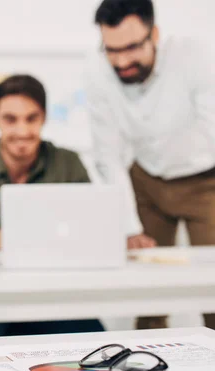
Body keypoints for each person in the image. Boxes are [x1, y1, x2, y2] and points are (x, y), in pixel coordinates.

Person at [0, 75, 104, 338]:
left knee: (97, 343)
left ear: (44, 117)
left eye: (31, 118)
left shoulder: (68, 163)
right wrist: (37, 238)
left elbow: (92, 228)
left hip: (52, 297)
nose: (23, 131)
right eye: (10, 119)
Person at [88, 0, 215, 330]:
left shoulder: (194, 57)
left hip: (205, 181)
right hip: (146, 179)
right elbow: (108, 155)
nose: (122, 60)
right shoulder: (99, 74)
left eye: (131, 47)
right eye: (112, 49)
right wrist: (129, 226)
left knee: (212, 288)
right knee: (147, 292)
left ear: (154, 34)